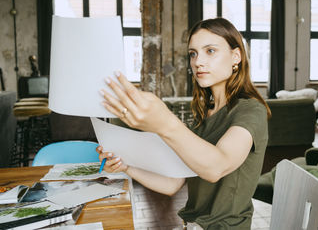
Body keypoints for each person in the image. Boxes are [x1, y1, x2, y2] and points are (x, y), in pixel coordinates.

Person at [97, 18, 271, 229]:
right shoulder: (204, 115)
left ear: (236, 56)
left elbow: (216, 167)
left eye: (210, 51)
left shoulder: (251, 110)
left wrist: (165, 124)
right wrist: (127, 168)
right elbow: (173, 183)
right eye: (193, 53)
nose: (198, 62)